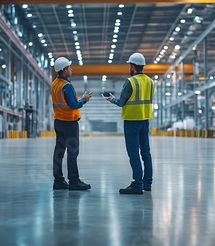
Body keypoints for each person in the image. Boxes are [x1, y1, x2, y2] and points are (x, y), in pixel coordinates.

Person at [102, 53, 154, 195]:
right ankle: (147, 183)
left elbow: (121, 102)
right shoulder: (150, 82)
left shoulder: (131, 82)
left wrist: (112, 99)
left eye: (129, 65)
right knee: (146, 152)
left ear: (132, 66)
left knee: (134, 154)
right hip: (145, 120)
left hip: (132, 122)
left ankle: (137, 184)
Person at [51, 57, 93, 190]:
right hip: (69, 123)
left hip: (58, 122)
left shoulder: (55, 84)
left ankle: (58, 181)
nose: (71, 69)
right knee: (72, 152)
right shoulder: (66, 86)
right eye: (69, 67)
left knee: (59, 151)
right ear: (64, 70)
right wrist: (84, 99)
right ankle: (74, 181)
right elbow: (74, 105)